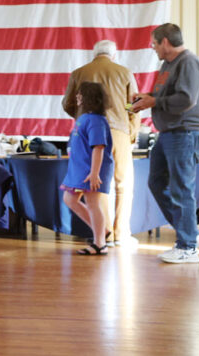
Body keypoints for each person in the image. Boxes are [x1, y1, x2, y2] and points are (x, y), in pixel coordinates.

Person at [131, 23, 199, 264]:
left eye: (154, 43)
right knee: (156, 182)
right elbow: (165, 96)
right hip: (169, 134)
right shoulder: (167, 64)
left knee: (181, 189)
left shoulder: (189, 62)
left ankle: (187, 248)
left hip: (185, 133)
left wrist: (154, 102)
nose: (153, 47)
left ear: (165, 41)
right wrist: (148, 98)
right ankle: (190, 234)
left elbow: (186, 99)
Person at [61, 40, 141, 247]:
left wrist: (83, 117)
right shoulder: (125, 72)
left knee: (97, 185)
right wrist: (131, 132)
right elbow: (134, 105)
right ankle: (122, 233)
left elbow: (67, 104)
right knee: (123, 183)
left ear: (94, 54)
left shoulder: (79, 73)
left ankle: (106, 234)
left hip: (90, 132)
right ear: (113, 56)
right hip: (119, 130)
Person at [61, 82, 115, 255]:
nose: (77, 97)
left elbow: (98, 147)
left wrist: (94, 173)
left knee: (93, 203)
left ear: (88, 98)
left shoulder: (96, 121)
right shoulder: (85, 118)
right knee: (69, 199)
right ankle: (101, 231)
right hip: (80, 168)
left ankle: (100, 244)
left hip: (91, 170)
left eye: (80, 94)